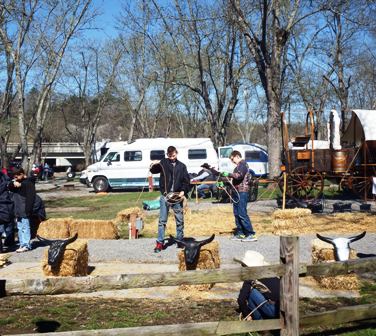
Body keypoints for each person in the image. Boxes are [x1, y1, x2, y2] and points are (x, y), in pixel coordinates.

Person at [150, 145, 190, 253]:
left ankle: (180, 241)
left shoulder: (182, 166)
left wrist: (183, 191)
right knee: (162, 221)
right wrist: (153, 164)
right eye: (170, 155)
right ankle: (160, 243)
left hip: (177, 196)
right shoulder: (163, 163)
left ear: (176, 153)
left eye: (173, 155)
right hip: (165, 196)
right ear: (167, 155)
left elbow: (187, 181)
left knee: (179, 220)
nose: (172, 157)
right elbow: (154, 170)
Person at [221, 150, 257, 241]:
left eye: (233, 160)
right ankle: (241, 233)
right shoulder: (238, 166)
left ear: (237, 156)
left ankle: (250, 234)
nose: (233, 162)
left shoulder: (243, 164)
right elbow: (234, 179)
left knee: (242, 213)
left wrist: (228, 174)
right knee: (237, 213)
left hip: (242, 192)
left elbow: (239, 176)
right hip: (236, 192)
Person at [235, 250, 280, 322]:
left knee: (251, 292)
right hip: (283, 308)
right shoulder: (271, 274)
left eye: (243, 265)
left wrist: (246, 314)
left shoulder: (251, 277)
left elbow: (241, 300)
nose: (242, 267)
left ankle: (257, 320)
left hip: (273, 311)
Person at [8, 167, 36, 252]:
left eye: (16, 176)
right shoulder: (18, 182)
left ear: (21, 174)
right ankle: (22, 243)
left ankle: (26, 245)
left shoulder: (28, 183)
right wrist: (13, 183)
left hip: (24, 208)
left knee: (25, 227)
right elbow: (10, 186)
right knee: (20, 227)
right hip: (18, 209)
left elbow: (31, 198)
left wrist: (28, 209)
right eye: (14, 177)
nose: (15, 178)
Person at [0, 171, 15, 252]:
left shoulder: (4, 178)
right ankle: (8, 242)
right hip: (6, 206)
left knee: (8, 226)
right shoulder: (5, 178)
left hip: (4, 206)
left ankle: (9, 242)